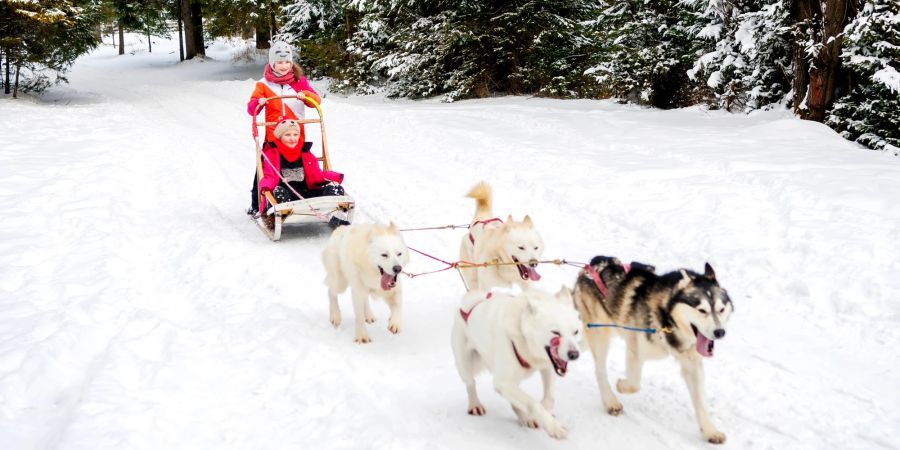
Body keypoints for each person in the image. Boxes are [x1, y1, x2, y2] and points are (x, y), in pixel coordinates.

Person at [247, 41, 322, 215]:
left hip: (296, 135)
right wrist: (258, 103)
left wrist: (306, 96)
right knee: (267, 167)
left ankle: (306, 196)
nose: (283, 66)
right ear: (272, 63)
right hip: (273, 137)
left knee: (302, 166)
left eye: (287, 62)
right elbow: (251, 109)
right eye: (279, 62)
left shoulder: (299, 81)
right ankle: (257, 203)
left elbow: (316, 101)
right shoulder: (263, 85)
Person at [254, 119, 345, 228]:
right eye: (287, 135)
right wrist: (265, 188)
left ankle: (333, 211)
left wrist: (334, 177)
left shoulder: (305, 151)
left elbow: (316, 173)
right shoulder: (272, 154)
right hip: (288, 194)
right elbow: (270, 176)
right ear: (279, 136)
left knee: (329, 190)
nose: (292, 138)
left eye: (295, 134)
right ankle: (283, 211)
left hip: (307, 192)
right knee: (279, 193)